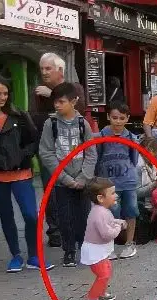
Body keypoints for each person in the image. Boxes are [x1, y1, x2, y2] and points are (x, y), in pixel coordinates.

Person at [0, 74, 55, 272]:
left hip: (21, 174)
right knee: (6, 216)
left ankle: (34, 256)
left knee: (30, 215)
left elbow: (33, 141)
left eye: (5, 93)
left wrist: (22, 157)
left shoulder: (19, 116)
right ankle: (15, 255)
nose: (2, 98)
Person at [30, 52, 87, 248]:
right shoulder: (38, 92)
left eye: (48, 68)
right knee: (51, 190)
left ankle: (77, 229)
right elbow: (35, 120)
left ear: (60, 71)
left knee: (74, 190)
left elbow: (80, 113)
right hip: (50, 151)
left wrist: (53, 96)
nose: (44, 73)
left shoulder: (74, 88)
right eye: (42, 69)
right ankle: (55, 231)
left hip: (73, 152)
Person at [39, 82, 97, 268]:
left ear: (73, 102)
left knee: (83, 216)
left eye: (62, 101)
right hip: (61, 181)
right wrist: (64, 178)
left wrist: (82, 177)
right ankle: (69, 250)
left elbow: (91, 152)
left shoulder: (83, 124)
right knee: (64, 217)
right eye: (55, 101)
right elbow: (46, 152)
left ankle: (84, 247)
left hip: (82, 180)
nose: (57, 105)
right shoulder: (51, 123)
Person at [96, 102, 139, 260]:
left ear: (127, 118)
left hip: (128, 181)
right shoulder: (101, 136)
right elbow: (97, 158)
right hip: (109, 183)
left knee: (131, 210)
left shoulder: (131, 138)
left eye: (122, 118)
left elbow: (134, 159)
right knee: (110, 214)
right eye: (114, 118)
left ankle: (129, 243)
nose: (118, 121)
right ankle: (109, 246)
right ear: (108, 117)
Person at [81, 177, 124, 300]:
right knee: (103, 274)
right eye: (112, 193)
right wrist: (119, 227)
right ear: (100, 198)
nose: (115, 195)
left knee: (107, 270)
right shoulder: (99, 213)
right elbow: (106, 234)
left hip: (99, 249)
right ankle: (92, 299)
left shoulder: (101, 211)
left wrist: (117, 222)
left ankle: (101, 293)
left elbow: (108, 223)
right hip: (95, 251)